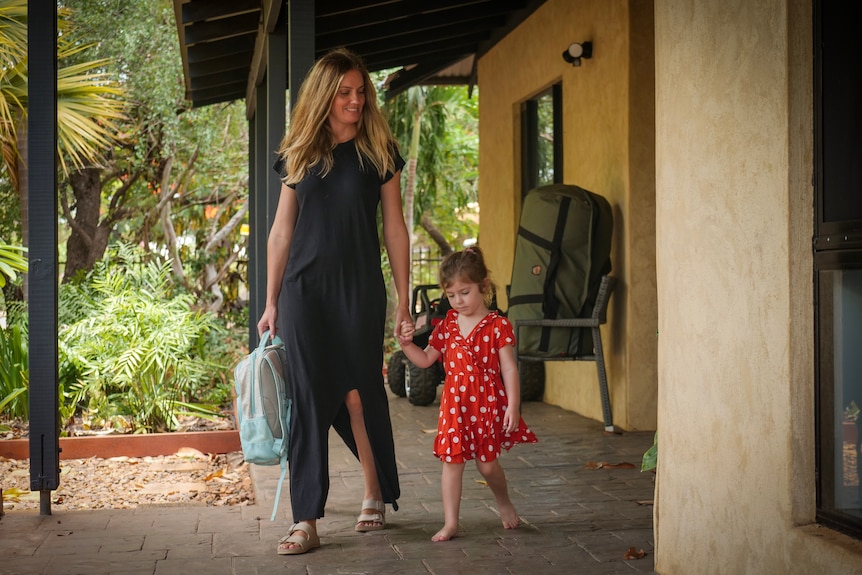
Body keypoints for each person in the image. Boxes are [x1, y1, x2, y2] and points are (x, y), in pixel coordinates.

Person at [257, 47, 411, 555]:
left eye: (360, 91)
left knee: (358, 395)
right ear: (324, 95)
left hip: (359, 288)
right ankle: (306, 519)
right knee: (307, 398)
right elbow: (281, 232)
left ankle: (374, 491)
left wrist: (405, 299)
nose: (355, 100)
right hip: (304, 291)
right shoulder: (299, 152)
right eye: (345, 92)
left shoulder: (379, 153)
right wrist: (271, 299)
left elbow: (394, 229)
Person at [397, 246, 538, 542]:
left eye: (465, 292)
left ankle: (503, 502)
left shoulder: (498, 325)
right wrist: (407, 344)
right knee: (453, 463)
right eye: (451, 295)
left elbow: (509, 369)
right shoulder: (448, 325)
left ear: (483, 286)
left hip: (487, 404)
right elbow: (425, 360)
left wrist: (513, 405)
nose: (458, 301)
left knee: (487, 466)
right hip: (454, 407)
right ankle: (451, 523)